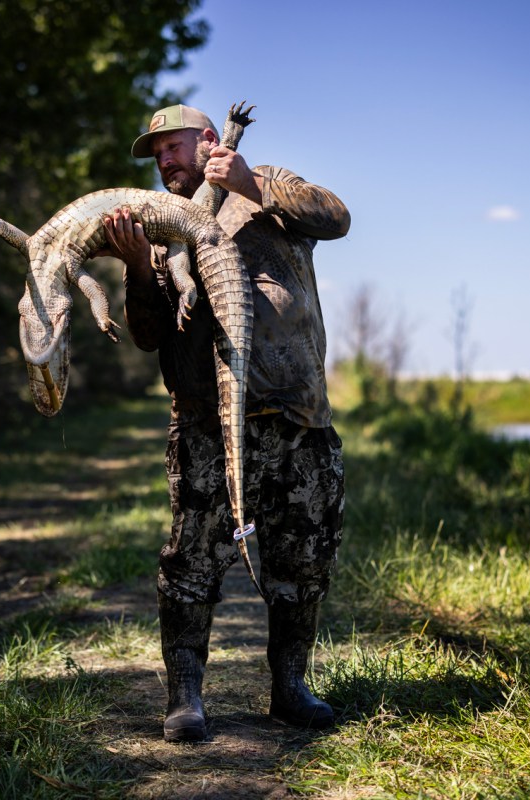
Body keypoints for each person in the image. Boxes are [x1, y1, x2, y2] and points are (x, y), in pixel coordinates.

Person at [102, 104, 351, 743]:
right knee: (191, 561)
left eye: (172, 147)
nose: (163, 161)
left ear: (208, 141)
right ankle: (185, 698)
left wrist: (250, 183)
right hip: (206, 423)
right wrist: (135, 268)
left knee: (303, 556)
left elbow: (337, 217)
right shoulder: (159, 230)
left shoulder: (263, 184)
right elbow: (149, 335)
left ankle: (290, 689)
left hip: (297, 416)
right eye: (155, 154)